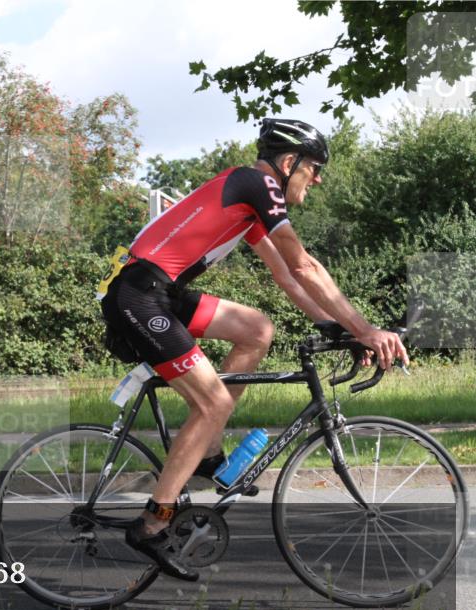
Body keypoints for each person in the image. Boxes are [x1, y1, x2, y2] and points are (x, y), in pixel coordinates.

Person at [100, 119, 409, 581]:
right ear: (289, 164)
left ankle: (205, 453)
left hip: (162, 292)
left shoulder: (248, 197)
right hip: (140, 295)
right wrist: (365, 329)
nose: (317, 178)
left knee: (256, 329)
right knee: (215, 401)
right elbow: (303, 266)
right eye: (314, 168)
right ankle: (153, 523)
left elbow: (288, 274)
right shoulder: (259, 183)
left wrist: (336, 327)